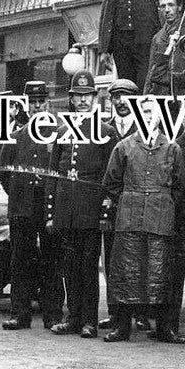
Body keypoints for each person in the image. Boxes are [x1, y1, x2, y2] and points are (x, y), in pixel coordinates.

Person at [100, 98, 185, 343]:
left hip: (160, 221)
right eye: (144, 112)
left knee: (161, 274)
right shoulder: (124, 147)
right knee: (126, 273)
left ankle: (165, 328)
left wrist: (161, 203)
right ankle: (122, 327)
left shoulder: (172, 148)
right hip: (130, 220)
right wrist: (132, 198)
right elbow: (110, 182)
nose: (149, 117)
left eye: (153, 112)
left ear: (161, 117)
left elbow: (180, 188)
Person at [46, 71, 116, 338]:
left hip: (90, 210)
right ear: (72, 99)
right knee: (69, 266)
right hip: (67, 210)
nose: (83, 101)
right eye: (78, 96)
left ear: (94, 98)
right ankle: (72, 317)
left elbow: (110, 178)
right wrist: (51, 213)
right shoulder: (62, 131)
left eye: (88, 96)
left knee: (88, 267)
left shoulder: (106, 132)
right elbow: (53, 174)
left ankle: (89, 320)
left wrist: (105, 211)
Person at [0, 81, 63, 331]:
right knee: (20, 260)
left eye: (41, 101)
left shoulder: (59, 133)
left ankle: (53, 315)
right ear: (25, 104)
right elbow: (4, 172)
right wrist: (19, 193)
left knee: (52, 260)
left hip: (48, 207)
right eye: (32, 102)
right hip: (22, 207)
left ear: (47, 103)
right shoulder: (16, 136)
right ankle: (20, 314)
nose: (37, 106)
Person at [98, 78, 140, 331]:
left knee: (138, 258)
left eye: (127, 97)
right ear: (111, 101)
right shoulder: (103, 129)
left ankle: (141, 312)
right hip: (112, 206)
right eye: (117, 97)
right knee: (112, 259)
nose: (122, 102)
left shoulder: (145, 127)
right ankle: (115, 313)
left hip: (137, 206)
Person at [144, 0, 182, 96]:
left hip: (183, 92)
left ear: (180, 7)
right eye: (163, 6)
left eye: (171, 5)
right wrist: (146, 95)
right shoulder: (157, 37)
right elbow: (151, 69)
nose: (167, 10)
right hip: (161, 94)